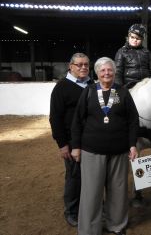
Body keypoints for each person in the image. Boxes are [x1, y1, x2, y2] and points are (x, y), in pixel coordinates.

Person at [70, 57, 139, 235]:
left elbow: (133, 120)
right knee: (91, 192)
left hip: (119, 151)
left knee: (118, 191)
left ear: (114, 72)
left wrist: (132, 145)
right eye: (103, 70)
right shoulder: (89, 92)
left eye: (110, 70)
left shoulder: (123, 92)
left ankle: (116, 225)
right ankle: (89, 229)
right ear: (97, 73)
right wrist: (76, 146)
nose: (106, 73)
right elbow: (77, 120)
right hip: (92, 150)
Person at [49, 52, 92, 227]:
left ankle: (93, 206)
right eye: (79, 65)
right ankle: (72, 211)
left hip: (91, 140)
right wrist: (63, 145)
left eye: (86, 65)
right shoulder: (61, 87)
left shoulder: (91, 84)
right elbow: (55, 118)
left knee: (91, 177)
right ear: (70, 66)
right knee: (75, 178)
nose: (83, 68)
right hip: (72, 142)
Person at [114, 23, 151, 88]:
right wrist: (120, 89)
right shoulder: (122, 52)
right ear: (128, 36)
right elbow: (117, 73)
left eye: (138, 38)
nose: (135, 40)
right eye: (132, 37)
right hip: (129, 86)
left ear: (142, 39)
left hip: (146, 86)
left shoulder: (146, 52)